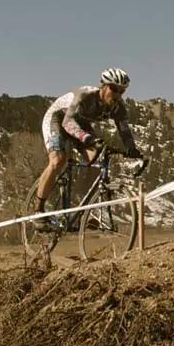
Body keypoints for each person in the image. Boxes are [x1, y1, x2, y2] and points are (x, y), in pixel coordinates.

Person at [32, 68, 143, 231]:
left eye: (122, 91)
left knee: (96, 163)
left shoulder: (118, 107)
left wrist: (132, 149)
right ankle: (38, 211)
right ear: (103, 86)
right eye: (114, 88)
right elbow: (67, 123)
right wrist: (86, 138)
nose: (118, 94)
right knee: (57, 161)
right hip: (58, 119)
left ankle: (79, 210)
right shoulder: (84, 95)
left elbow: (124, 131)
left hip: (80, 124)